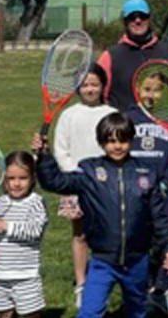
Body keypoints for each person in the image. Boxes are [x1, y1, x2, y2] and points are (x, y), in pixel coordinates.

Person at [35, 113, 168, 318]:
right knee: (89, 312)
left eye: (122, 140)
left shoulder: (145, 172)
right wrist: (44, 155)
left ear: (131, 140)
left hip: (137, 260)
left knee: (136, 311)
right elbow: (55, 182)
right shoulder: (90, 171)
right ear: (101, 142)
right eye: (111, 141)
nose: (117, 146)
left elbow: (158, 215)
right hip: (102, 261)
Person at [123, 68, 168, 316]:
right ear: (137, 89)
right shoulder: (128, 117)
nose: (151, 95)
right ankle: (147, 288)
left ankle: (162, 289)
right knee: (141, 239)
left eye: (156, 89)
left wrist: (166, 181)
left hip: (163, 190)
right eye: (147, 89)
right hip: (137, 191)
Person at [52, 65, 116, 308]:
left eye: (94, 84)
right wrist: (76, 174)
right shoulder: (69, 115)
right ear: (78, 88)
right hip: (76, 184)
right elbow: (61, 150)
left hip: (105, 184)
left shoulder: (110, 113)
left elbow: (117, 146)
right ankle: (81, 284)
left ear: (102, 86)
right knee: (79, 234)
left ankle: (102, 282)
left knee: (105, 234)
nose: (90, 89)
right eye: (85, 85)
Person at [0, 151, 48, 318]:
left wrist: (5, 225)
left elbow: (35, 230)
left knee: (31, 313)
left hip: (25, 274)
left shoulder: (35, 203)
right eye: (11, 178)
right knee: (3, 314)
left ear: (32, 178)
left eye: (22, 178)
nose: (16, 183)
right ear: (4, 179)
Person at [97, 0, 168, 111]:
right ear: (125, 22)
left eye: (143, 16)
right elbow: (99, 93)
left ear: (149, 19)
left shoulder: (167, 52)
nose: (138, 21)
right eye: (132, 17)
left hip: (160, 125)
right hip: (123, 125)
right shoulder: (110, 56)